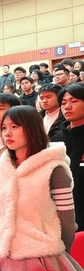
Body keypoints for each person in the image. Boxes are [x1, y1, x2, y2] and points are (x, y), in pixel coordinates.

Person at [0, 106, 81, 271]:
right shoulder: (0, 169)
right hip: (2, 256)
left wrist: (55, 251)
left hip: (39, 257)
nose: (7, 133)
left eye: (15, 127)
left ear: (31, 128)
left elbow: (67, 223)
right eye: (4, 128)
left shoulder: (54, 169)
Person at [51, 83, 84, 237]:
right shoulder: (56, 140)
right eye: (63, 103)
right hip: (62, 218)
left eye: (74, 101)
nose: (67, 107)